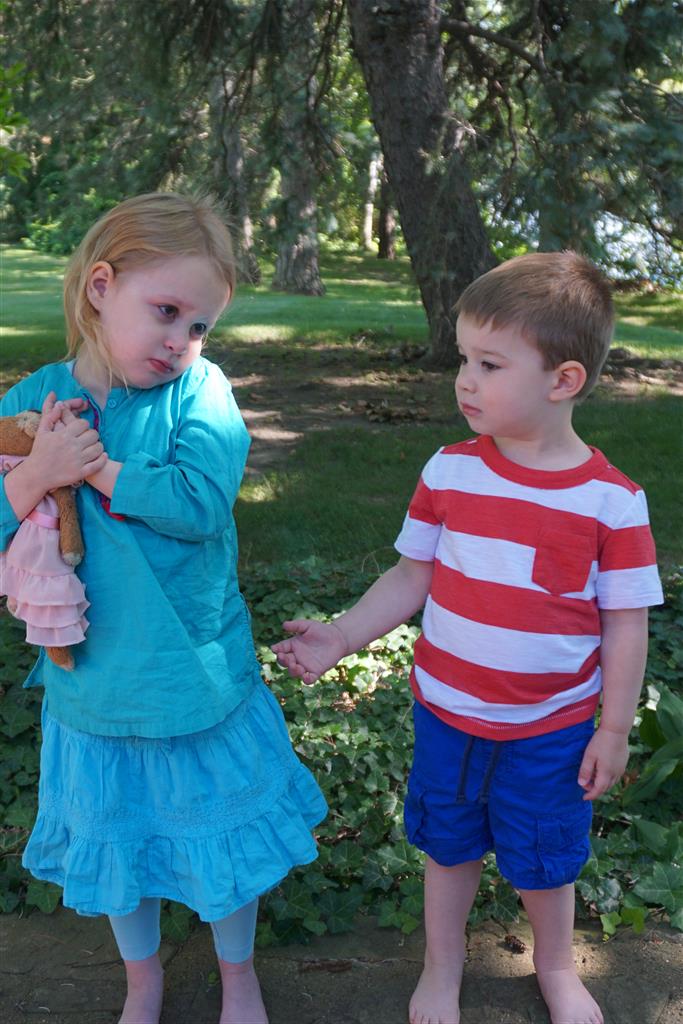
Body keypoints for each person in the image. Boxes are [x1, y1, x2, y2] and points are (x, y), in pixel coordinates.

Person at [273, 251, 664, 1024]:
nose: (464, 380)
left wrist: (613, 728)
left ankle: (554, 965)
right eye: (463, 359)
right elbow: (409, 576)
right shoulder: (449, 471)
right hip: (447, 715)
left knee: (544, 856)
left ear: (562, 380)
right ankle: (441, 966)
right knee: (447, 846)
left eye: (489, 364)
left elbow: (625, 624)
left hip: (550, 729)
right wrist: (341, 637)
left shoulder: (611, 503)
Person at [0, 192, 327, 1024]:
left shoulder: (200, 393)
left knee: (220, 846)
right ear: (101, 287)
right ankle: (142, 981)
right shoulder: (34, 402)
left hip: (192, 679)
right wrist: (37, 474)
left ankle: (238, 976)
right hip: (95, 685)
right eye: (167, 311)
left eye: (200, 325)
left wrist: (97, 468)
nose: (182, 340)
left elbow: (200, 503)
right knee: (122, 847)